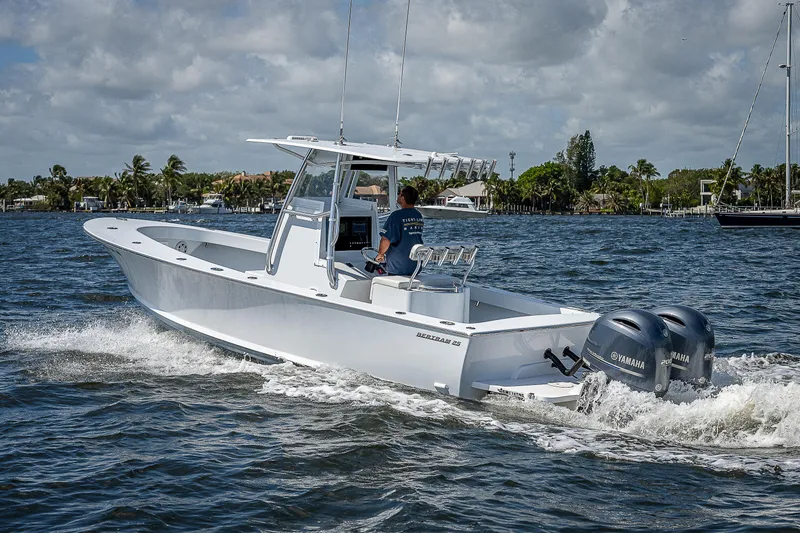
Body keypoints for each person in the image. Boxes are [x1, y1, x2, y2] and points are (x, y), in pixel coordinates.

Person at [375, 185, 423, 276]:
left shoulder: (396, 216)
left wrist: (380, 254)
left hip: (398, 267)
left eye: (399, 194)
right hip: (415, 265)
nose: (398, 196)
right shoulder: (418, 215)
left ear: (403, 198)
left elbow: (386, 239)